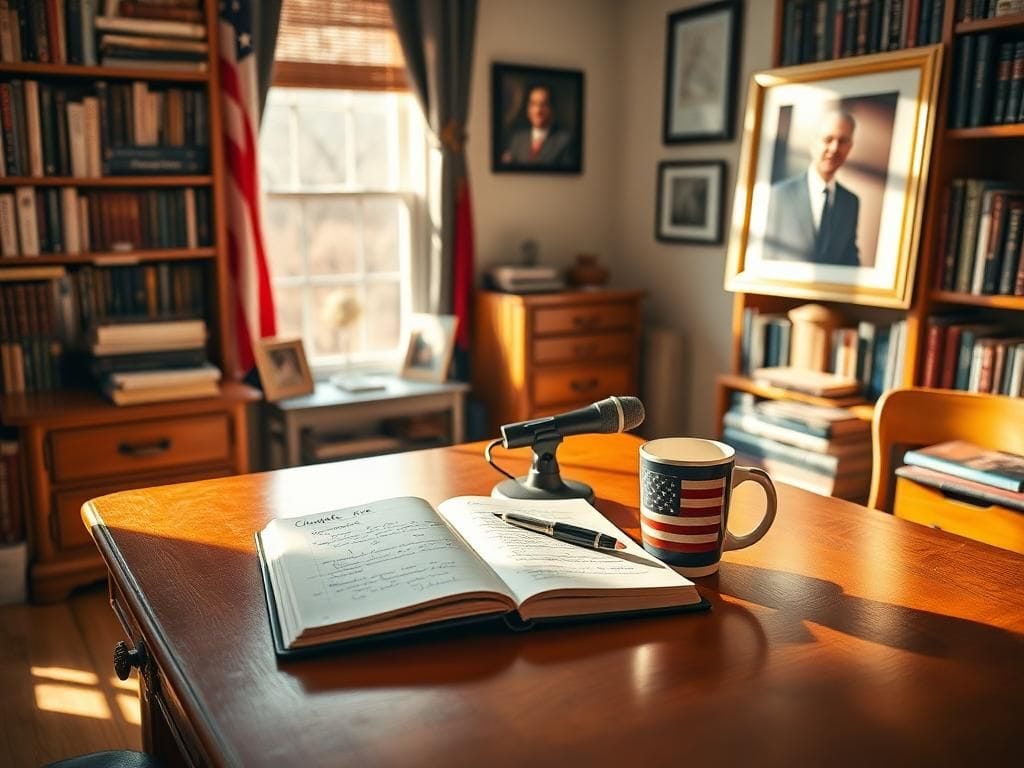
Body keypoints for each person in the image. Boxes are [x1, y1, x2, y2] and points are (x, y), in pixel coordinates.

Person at [763, 110, 860, 267]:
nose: (834, 148)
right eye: (828, 139)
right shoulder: (779, 195)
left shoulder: (851, 202)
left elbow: (850, 259)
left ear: (850, 147)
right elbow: (766, 254)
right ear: (813, 143)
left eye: (842, 141)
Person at [501, 85, 575, 167]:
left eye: (543, 104)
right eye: (533, 104)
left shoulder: (565, 141)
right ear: (528, 108)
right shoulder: (517, 139)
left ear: (552, 108)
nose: (538, 110)